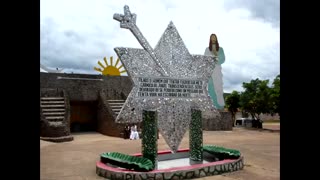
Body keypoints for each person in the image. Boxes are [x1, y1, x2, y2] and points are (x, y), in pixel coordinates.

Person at [204, 33, 226, 110]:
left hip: (217, 70)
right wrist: (213, 59)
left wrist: (216, 57)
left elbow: (223, 59)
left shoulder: (221, 49)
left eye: (214, 37)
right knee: (210, 88)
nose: (213, 39)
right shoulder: (207, 49)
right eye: (212, 38)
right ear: (210, 39)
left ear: (216, 39)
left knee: (219, 87)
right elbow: (205, 59)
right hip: (210, 71)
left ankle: (219, 105)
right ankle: (212, 105)